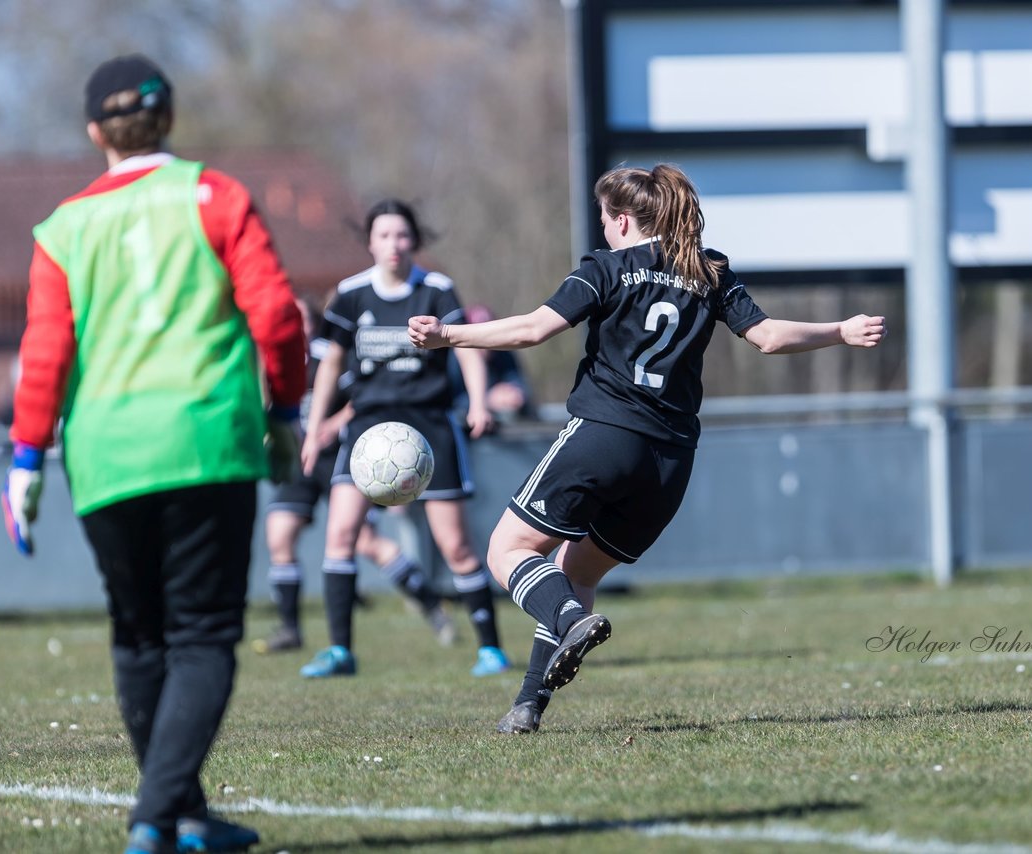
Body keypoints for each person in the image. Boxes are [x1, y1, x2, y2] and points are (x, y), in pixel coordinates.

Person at [408, 163, 886, 734]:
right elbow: (769, 338)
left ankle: (562, 619)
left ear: (625, 220)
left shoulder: (605, 268)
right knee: (577, 571)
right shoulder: (708, 271)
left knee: (507, 551)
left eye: (606, 219)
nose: (603, 230)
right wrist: (841, 330)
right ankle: (529, 705)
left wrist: (448, 336)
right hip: (669, 462)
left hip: (603, 435)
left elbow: (534, 329)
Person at [0, 55, 304, 853]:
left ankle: (186, 818)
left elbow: (43, 353)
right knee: (202, 637)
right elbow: (275, 314)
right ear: (168, 118)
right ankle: (153, 818)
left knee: (139, 637)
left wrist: (27, 457)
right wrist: (290, 408)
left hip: (104, 454)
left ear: (95, 131)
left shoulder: (64, 227)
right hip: (205, 440)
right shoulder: (215, 194)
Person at [298, 198, 510, 678]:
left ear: (414, 240)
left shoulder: (435, 290)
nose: (394, 245)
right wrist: (314, 431)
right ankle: (339, 651)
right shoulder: (351, 295)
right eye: (384, 236)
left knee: (455, 545)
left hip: (429, 425)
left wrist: (477, 402)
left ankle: (490, 648)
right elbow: (331, 362)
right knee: (341, 534)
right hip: (368, 429)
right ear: (370, 242)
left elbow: (466, 348)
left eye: (402, 235)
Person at [255, 298, 455, 655]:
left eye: (300, 318)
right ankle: (290, 628)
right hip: (297, 459)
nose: (295, 325)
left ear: (312, 322)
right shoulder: (274, 359)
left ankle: (430, 604)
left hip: (339, 458)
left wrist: (330, 425)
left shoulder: (330, 356)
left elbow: (359, 397)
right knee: (279, 537)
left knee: (365, 542)